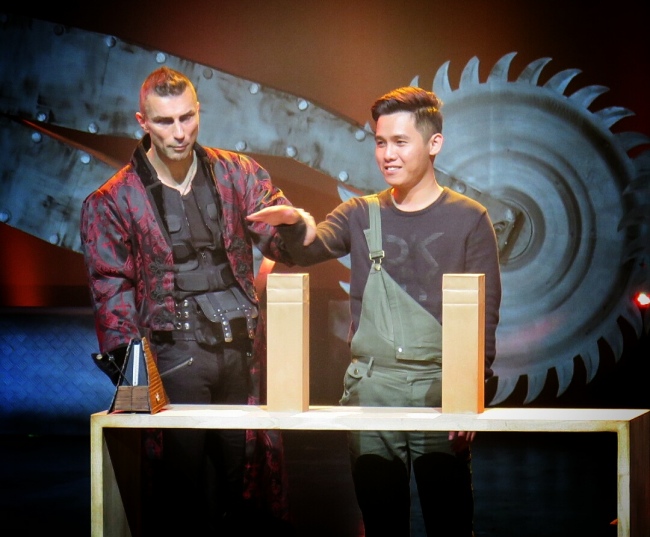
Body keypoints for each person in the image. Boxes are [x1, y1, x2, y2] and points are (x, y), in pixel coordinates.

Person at [247, 86, 502, 536]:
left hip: (441, 392)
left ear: (434, 143)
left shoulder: (470, 218)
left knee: (450, 525)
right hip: (372, 391)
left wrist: (469, 398)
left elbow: (485, 315)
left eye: (400, 142)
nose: (387, 154)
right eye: (381, 142)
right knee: (382, 525)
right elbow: (309, 248)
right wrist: (294, 221)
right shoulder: (360, 214)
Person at [80, 66, 309, 535]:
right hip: (175, 355)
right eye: (165, 122)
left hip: (241, 350)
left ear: (199, 111)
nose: (180, 132)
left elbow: (284, 244)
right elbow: (111, 294)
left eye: (187, 118)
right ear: (143, 121)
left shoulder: (237, 174)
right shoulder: (115, 199)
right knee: (182, 488)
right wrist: (137, 394)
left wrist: (297, 223)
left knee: (242, 480)